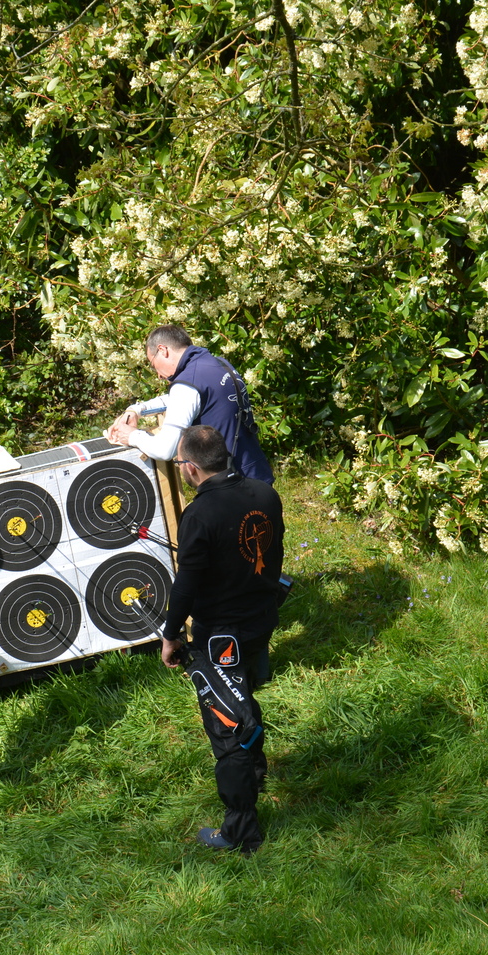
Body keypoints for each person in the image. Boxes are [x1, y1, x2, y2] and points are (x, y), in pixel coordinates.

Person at [160, 424, 285, 853]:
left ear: (191, 468)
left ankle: (241, 832)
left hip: (221, 637)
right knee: (242, 696)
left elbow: (186, 584)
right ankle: (256, 772)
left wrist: (170, 635)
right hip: (261, 619)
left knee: (227, 724)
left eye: (180, 463)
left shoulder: (199, 514)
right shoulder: (264, 494)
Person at [105, 325, 274, 485]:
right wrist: (137, 410)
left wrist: (132, 436)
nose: (158, 375)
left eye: (153, 364)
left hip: (230, 488)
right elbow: (184, 398)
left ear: (163, 350)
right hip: (257, 473)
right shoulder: (218, 364)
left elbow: (165, 450)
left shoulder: (188, 385)